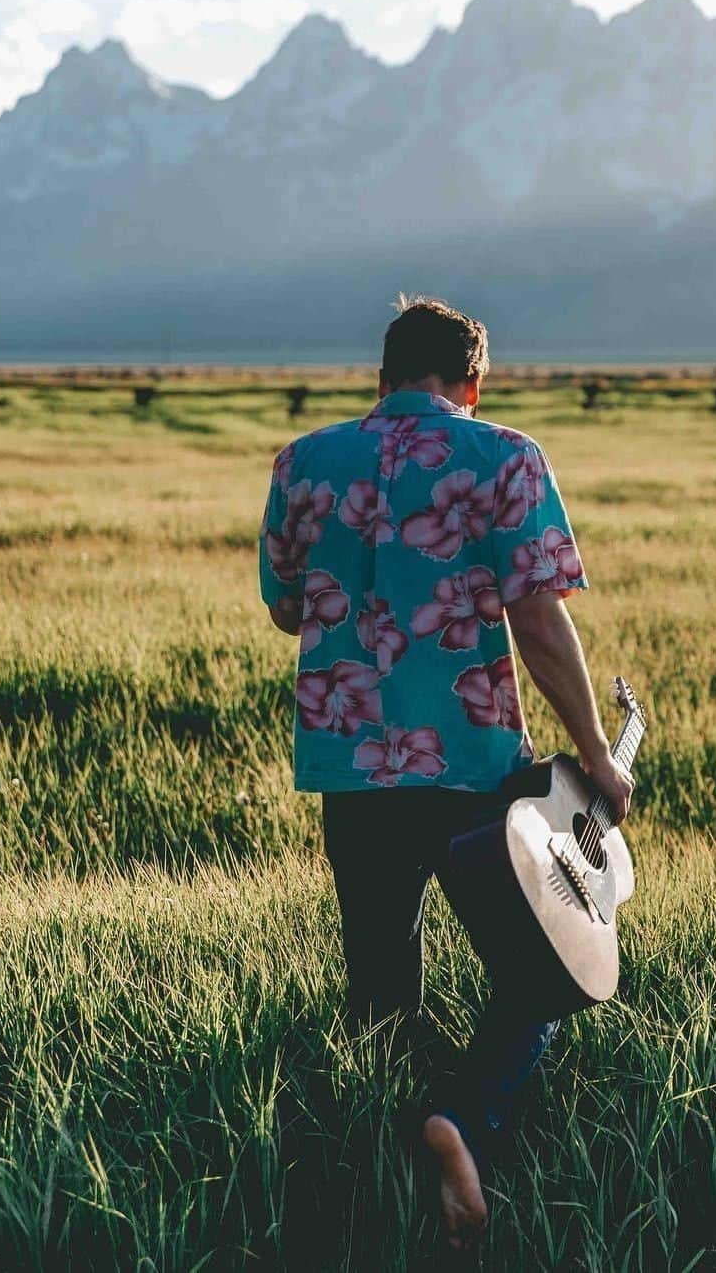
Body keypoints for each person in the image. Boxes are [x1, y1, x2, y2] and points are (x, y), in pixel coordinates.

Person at [259, 297, 634, 1256]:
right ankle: (464, 1125)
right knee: (543, 973)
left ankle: (373, 1192)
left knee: (380, 990)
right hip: (474, 771)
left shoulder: (304, 462)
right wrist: (594, 751)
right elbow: (540, 623)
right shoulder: (504, 455)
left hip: (350, 767)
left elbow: (284, 607)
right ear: (473, 384)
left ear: (381, 381)